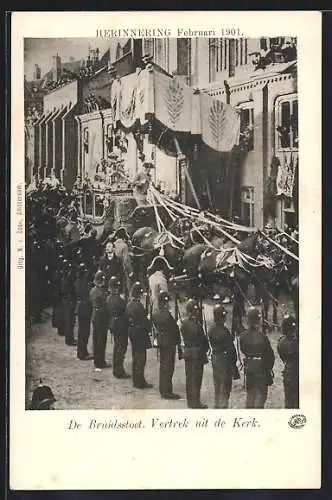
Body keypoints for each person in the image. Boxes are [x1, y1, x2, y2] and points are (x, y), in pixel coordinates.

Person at [240, 307, 275, 409]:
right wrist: (268, 368)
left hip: (249, 367)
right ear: (258, 320)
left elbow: (243, 350)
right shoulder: (263, 337)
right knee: (261, 394)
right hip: (261, 368)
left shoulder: (243, 336)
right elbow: (270, 356)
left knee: (250, 393)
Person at [208, 304, 240, 408]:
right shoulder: (225, 332)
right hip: (225, 360)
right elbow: (231, 350)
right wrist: (234, 363)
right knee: (226, 386)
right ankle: (223, 407)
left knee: (217, 384)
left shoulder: (211, 330)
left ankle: (217, 405)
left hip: (215, 358)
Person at [152, 291, 182, 400]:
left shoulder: (156, 313)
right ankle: (167, 391)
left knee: (163, 366)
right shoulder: (167, 315)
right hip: (169, 342)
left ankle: (163, 389)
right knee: (169, 367)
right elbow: (174, 329)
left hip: (161, 340)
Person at [180, 298, 209, 409]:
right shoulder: (197, 325)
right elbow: (203, 340)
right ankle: (195, 402)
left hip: (188, 353)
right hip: (197, 353)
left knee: (189, 378)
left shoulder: (184, 323)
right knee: (196, 379)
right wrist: (205, 349)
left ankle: (190, 401)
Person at [126, 282, 153, 389]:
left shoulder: (129, 304)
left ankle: (135, 379)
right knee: (141, 358)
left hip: (132, 331)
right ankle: (140, 381)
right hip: (139, 332)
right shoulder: (139, 306)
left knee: (135, 356)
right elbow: (145, 322)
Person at [107, 276, 130, 379]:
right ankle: (119, 370)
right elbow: (125, 311)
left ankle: (116, 369)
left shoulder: (109, 298)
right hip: (121, 324)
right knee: (121, 347)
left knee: (117, 346)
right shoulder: (119, 299)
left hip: (113, 322)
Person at [89, 270, 111, 371]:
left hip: (94, 315)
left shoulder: (92, 291)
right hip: (101, 317)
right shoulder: (102, 293)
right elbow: (106, 304)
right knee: (101, 340)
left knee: (95, 339)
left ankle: (96, 359)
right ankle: (100, 361)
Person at [277, 314, 299, 408]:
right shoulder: (297, 343)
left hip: (287, 373)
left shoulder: (281, 341)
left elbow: (281, 356)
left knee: (289, 400)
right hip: (296, 373)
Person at [75, 262, 93, 360]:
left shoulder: (78, 281)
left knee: (82, 331)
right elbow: (86, 294)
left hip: (81, 308)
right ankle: (82, 353)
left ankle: (82, 351)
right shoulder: (83, 282)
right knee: (84, 332)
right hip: (84, 308)